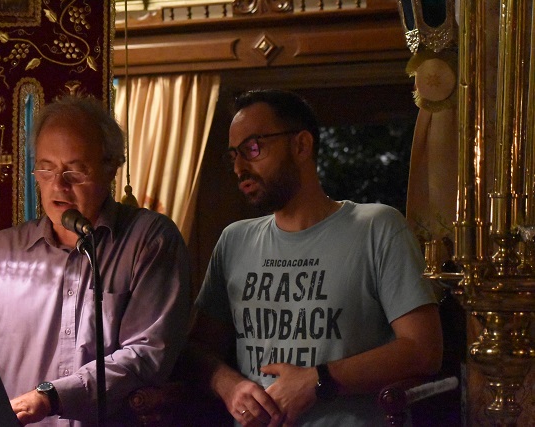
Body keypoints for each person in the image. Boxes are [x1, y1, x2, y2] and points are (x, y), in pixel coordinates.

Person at [186, 89, 442, 426]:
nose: (238, 167)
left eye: (252, 148)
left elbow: (424, 350)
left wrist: (320, 379)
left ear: (301, 145)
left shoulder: (377, 227)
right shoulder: (234, 241)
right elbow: (197, 350)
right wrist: (228, 385)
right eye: (233, 155)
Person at [0, 94, 191, 426]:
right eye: (46, 168)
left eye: (75, 170)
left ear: (111, 168)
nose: (59, 185)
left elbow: (147, 354)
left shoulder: (149, 240)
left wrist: (52, 397)